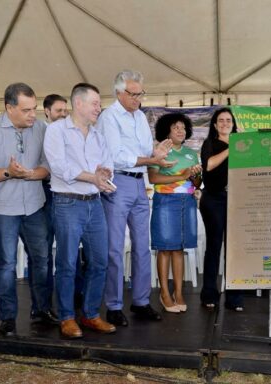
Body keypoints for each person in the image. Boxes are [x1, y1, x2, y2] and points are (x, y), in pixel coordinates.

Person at [0, 82, 53, 336]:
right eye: (26, 110)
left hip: (34, 206)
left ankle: (41, 310)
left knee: (41, 260)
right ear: (9, 108)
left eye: (35, 109)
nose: (33, 115)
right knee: (6, 264)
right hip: (2, 209)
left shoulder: (41, 128)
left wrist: (30, 174)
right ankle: (7, 317)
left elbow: (47, 166)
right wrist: (9, 172)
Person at [98, 70, 173, 327]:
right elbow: (117, 155)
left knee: (143, 245)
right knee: (115, 247)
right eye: (134, 94)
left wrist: (157, 151)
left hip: (140, 183)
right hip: (117, 181)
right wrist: (151, 159)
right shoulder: (108, 117)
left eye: (141, 93)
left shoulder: (140, 116)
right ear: (119, 92)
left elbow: (143, 149)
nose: (138, 99)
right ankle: (114, 305)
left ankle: (141, 301)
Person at [44, 83, 116, 339]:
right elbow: (60, 167)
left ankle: (90, 314)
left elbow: (107, 164)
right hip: (67, 203)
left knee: (99, 262)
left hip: (94, 203)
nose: (99, 108)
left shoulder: (98, 135)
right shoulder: (56, 130)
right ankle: (67, 317)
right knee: (67, 263)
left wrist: (105, 175)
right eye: (95, 103)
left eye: (99, 103)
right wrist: (92, 177)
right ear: (79, 104)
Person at [148, 113, 202, 313]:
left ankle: (178, 293)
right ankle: (164, 293)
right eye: (176, 127)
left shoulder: (191, 153)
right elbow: (153, 178)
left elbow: (196, 182)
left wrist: (196, 179)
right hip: (165, 201)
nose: (181, 131)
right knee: (165, 248)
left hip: (187, 202)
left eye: (183, 127)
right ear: (166, 131)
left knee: (179, 249)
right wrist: (183, 175)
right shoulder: (159, 151)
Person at [27, 94, 68, 323]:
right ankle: (41, 306)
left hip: (67, 196)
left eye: (65, 110)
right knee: (42, 253)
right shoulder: (40, 133)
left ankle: (70, 301)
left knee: (69, 249)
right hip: (44, 195)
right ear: (47, 112)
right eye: (58, 110)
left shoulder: (73, 133)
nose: (63, 114)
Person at [199, 107, 244, 311]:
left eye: (229, 120)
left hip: (237, 200)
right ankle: (209, 293)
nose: (225, 123)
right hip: (214, 199)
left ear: (233, 124)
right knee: (214, 247)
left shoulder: (243, 145)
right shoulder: (209, 143)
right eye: (221, 120)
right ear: (215, 125)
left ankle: (234, 297)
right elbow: (208, 165)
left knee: (235, 250)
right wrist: (230, 148)